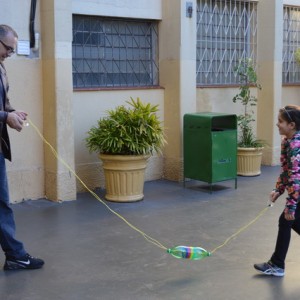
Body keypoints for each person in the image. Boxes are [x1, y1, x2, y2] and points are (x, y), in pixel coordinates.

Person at [0, 24, 44, 270]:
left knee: (1, 203)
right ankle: (16, 254)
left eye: (13, 50)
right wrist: (5, 117)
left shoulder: (1, 68)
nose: (9, 53)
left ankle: (15, 254)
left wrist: (12, 112)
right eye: (8, 48)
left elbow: (3, 102)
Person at [254, 105, 300, 277]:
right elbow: (286, 170)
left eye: (280, 121)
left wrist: (291, 206)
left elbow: (296, 178)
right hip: (298, 189)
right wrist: (278, 190)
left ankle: (277, 264)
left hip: (298, 189)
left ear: (292, 125)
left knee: (287, 218)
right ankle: (277, 263)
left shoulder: (296, 145)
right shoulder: (287, 141)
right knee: (290, 221)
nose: (277, 124)